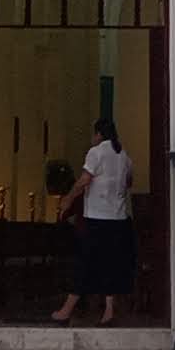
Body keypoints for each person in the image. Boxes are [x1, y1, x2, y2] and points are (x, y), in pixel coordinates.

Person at [51, 119, 133, 325]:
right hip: (118, 218)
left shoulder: (96, 152)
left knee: (84, 262)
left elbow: (84, 180)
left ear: (98, 134)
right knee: (110, 264)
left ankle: (67, 310)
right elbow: (129, 181)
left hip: (97, 218)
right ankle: (109, 310)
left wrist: (68, 199)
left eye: (94, 134)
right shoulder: (123, 155)